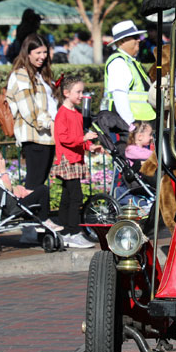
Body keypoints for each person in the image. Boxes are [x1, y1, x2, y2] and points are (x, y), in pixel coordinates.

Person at [51, 75, 100, 249]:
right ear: (66, 93)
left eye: (82, 91)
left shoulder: (77, 113)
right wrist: (83, 139)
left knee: (67, 196)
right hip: (68, 159)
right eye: (78, 92)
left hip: (75, 158)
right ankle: (73, 231)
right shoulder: (62, 114)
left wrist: (89, 146)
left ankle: (65, 230)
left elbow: (78, 137)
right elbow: (65, 138)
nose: (81, 95)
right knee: (75, 196)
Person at [7, 33, 57, 189]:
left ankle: (32, 212)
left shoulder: (41, 74)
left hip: (48, 136)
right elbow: (29, 109)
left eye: (44, 52)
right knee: (33, 184)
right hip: (35, 136)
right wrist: (50, 123)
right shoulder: (21, 75)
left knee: (39, 182)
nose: (42, 56)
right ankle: (24, 212)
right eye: (38, 53)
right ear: (27, 54)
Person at [103, 20, 156, 128]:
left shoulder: (130, 61)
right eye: (135, 37)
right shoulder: (118, 62)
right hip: (130, 125)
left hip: (141, 122)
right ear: (122, 41)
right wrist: (130, 125)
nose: (139, 40)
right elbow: (119, 96)